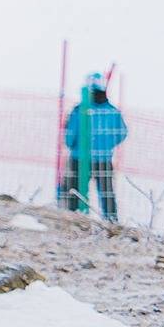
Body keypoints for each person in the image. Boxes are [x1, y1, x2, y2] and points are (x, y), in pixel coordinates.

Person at [61, 75, 127, 220]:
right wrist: (107, 145)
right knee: (106, 192)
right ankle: (111, 221)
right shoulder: (113, 111)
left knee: (75, 191)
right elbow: (122, 132)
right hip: (103, 159)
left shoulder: (79, 110)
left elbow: (70, 135)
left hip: (79, 158)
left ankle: (74, 219)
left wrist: (72, 145)